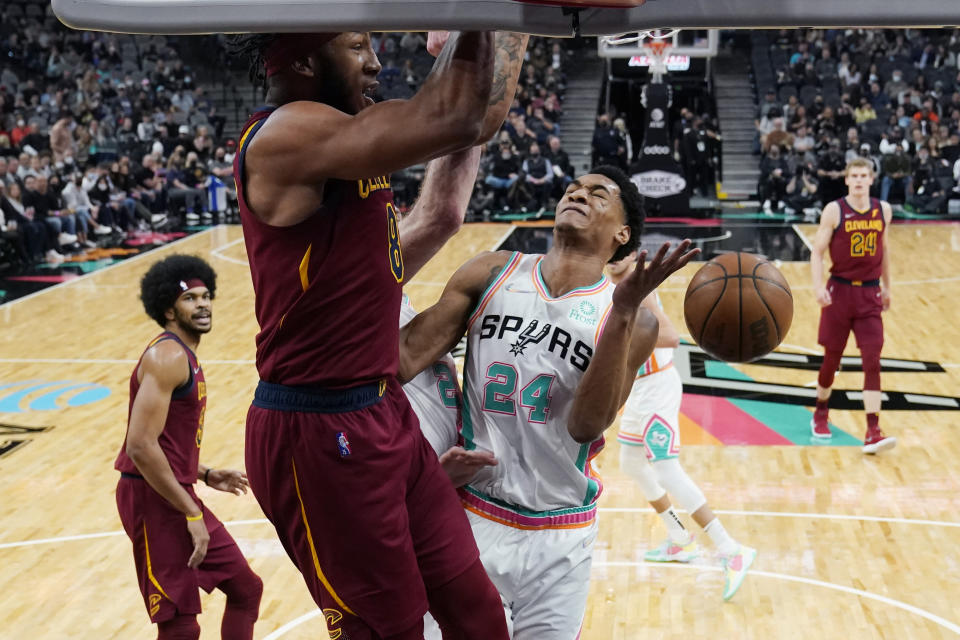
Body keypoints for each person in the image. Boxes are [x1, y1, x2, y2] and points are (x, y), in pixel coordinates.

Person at [227, 30, 528, 640]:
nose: (376, 61)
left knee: (477, 612)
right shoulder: (289, 133)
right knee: (390, 632)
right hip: (316, 433)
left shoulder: (341, 137)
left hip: (382, 412)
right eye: (358, 46)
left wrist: (497, 29)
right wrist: (480, 20)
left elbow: (468, 133)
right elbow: (455, 114)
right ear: (308, 59)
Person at [398, 166, 698, 638]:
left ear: (622, 232)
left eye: (599, 194)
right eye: (574, 189)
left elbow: (587, 424)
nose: (579, 194)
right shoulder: (493, 271)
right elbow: (406, 357)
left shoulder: (634, 321)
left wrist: (620, 310)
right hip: (473, 512)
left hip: (561, 535)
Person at [114, 255, 263, 640]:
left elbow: (157, 441)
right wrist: (191, 512)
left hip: (173, 490)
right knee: (179, 623)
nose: (202, 304)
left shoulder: (183, 356)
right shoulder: (167, 357)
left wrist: (205, 474)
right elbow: (140, 446)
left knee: (246, 588)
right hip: (152, 497)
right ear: (168, 308)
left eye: (206, 296)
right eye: (190, 299)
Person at [607, 252, 757, 601]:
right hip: (639, 387)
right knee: (630, 464)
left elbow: (671, 337)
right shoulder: (610, 286)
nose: (614, 260)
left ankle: (730, 548)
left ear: (632, 252)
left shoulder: (639, 289)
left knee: (667, 470)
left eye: (621, 255)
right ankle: (679, 539)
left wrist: (616, 334)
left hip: (658, 386)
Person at [810, 158, 896, 453]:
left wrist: (888, 287)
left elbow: (883, 251)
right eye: (854, 176)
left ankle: (873, 429)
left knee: (872, 359)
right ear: (847, 180)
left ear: (871, 179)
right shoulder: (835, 210)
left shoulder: (883, 210)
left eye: (864, 175)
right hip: (840, 293)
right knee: (831, 359)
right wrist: (818, 286)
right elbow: (816, 252)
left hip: (870, 295)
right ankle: (821, 410)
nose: (859, 180)